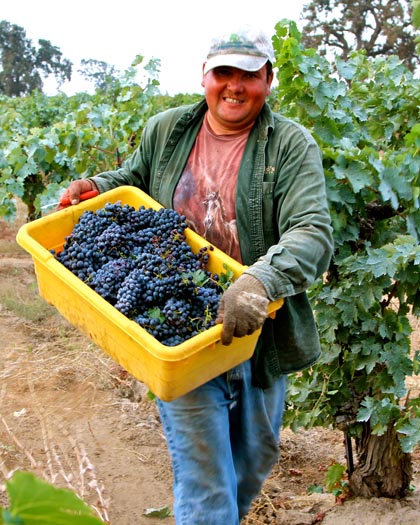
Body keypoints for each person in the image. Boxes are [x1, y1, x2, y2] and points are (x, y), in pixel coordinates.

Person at [60, 25, 333, 524]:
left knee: (253, 462)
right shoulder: (168, 130)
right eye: (222, 73)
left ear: (268, 80)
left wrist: (260, 281)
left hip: (257, 327)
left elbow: (312, 230)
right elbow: (133, 180)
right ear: (204, 77)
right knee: (206, 481)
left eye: (247, 75)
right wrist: (96, 184)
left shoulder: (291, 146)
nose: (234, 85)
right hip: (180, 332)